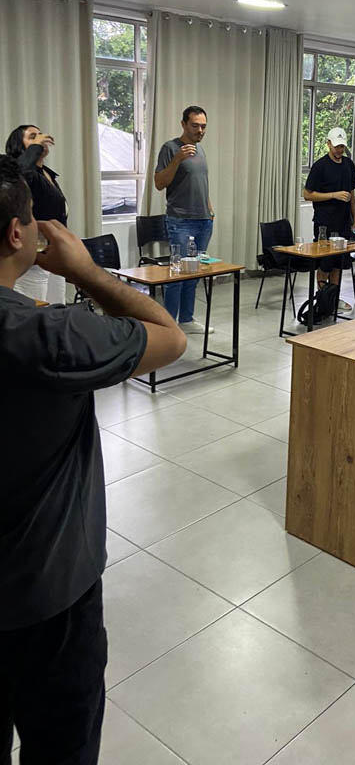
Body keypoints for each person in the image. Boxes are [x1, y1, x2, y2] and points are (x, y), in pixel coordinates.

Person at [0, 154, 186, 764]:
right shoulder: (52, 338)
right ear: (18, 233)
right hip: (45, 599)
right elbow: (170, 337)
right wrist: (87, 271)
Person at [154, 105, 215, 333]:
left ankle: (187, 320)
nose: (200, 131)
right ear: (183, 124)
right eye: (195, 126)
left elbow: (201, 183)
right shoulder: (170, 148)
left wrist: (210, 210)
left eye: (203, 126)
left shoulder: (201, 150)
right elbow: (159, 183)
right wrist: (177, 159)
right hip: (180, 221)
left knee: (194, 273)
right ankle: (169, 325)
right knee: (177, 275)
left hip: (203, 221)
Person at [5, 124, 68, 304]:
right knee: (35, 307)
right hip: (33, 254)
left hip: (53, 251)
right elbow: (19, 173)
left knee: (57, 305)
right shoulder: (21, 173)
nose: (41, 139)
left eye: (40, 135)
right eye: (32, 137)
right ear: (20, 147)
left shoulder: (46, 173)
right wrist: (35, 147)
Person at [303, 127, 355, 311]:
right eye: (336, 147)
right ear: (328, 144)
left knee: (338, 263)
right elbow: (307, 194)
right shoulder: (320, 166)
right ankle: (322, 299)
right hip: (324, 223)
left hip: (343, 222)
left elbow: (352, 193)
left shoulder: (348, 164)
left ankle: (333, 299)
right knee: (325, 263)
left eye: (342, 147)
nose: (339, 150)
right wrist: (333, 195)